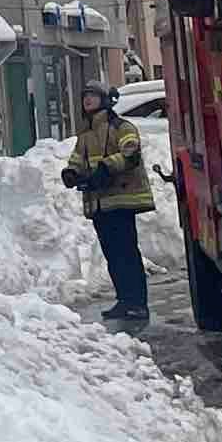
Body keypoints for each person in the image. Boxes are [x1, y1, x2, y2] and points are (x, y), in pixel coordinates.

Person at [65, 86, 156, 323]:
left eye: (92, 96)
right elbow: (77, 159)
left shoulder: (121, 127)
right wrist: (71, 172)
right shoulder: (86, 134)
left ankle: (137, 303)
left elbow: (131, 153)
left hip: (121, 201)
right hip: (100, 203)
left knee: (126, 253)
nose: (87, 100)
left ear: (104, 100)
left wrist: (107, 167)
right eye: (84, 96)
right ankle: (124, 300)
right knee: (113, 255)